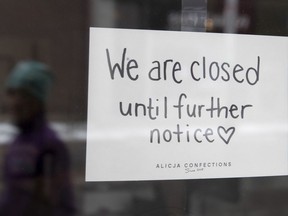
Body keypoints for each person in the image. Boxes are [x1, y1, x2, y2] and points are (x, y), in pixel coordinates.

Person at [0, 61, 76, 216]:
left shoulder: (49, 146)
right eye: (12, 94)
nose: (14, 102)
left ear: (37, 101)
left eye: (22, 95)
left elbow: (55, 204)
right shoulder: (17, 143)